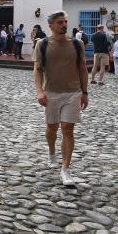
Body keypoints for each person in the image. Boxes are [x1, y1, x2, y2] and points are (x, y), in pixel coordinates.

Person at [34, 11, 88, 186]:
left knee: (67, 129)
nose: (64, 25)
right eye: (59, 22)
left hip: (73, 92)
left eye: (65, 21)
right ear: (51, 26)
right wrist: (39, 91)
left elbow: (82, 68)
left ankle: (65, 169)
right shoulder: (42, 44)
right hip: (51, 93)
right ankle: (52, 152)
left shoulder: (77, 44)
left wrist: (85, 92)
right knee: (52, 128)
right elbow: (38, 69)